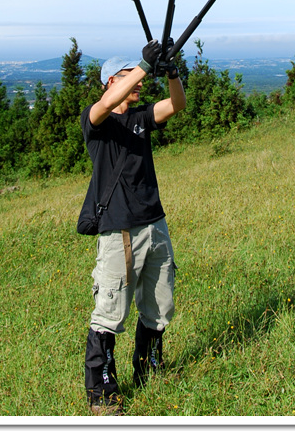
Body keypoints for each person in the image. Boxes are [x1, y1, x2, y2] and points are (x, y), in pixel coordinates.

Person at [80, 39, 186, 415]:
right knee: (110, 311)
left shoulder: (140, 118)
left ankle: (149, 369)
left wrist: (171, 70)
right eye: (129, 77)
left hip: (155, 224)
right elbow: (106, 105)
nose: (139, 83)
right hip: (118, 229)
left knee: (160, 305)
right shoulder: (97, 122)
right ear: (111, 81)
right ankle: (102, 389)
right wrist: (145, 63)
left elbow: (176, 105)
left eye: (138, 76)